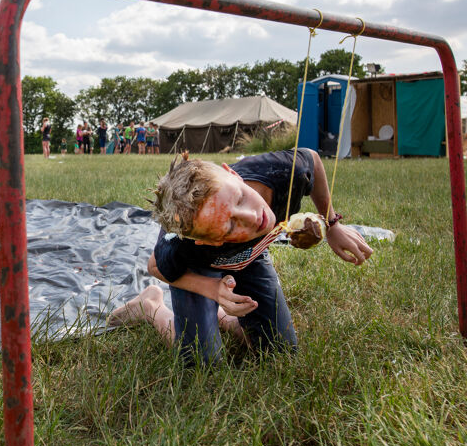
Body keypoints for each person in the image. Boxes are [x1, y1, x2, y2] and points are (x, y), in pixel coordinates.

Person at [109, 148, 373, 364]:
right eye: (230, 226)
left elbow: (313, 160)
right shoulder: (184, 247)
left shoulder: (279, 171)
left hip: (249, 255)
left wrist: (332, 224)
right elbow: (156, 267)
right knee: (201, 362)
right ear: (206, 239)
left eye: (239, 199)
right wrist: (212, 288)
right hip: (200, 267)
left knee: (278, 351)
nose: (253, 217)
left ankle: (223, 316)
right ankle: (151, 306)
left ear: (232, 173)